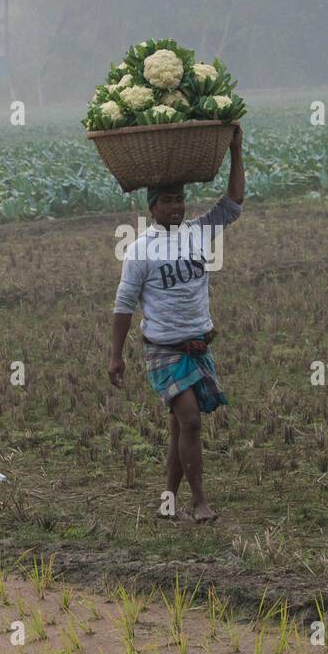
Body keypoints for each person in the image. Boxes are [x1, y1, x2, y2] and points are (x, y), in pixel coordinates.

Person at [109, 126, 245, 522]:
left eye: (180, 200)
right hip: (164, 351)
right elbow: (124, 304)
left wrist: (236, 149)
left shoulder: (199, 233)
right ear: (151, 209)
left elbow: (234, 202)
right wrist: (115, 356)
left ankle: (167, 498)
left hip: (198, 347)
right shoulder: (140, 250)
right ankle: (199, 502)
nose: (176, 207)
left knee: (178, 429)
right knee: (190, 420)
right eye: (167, 202)